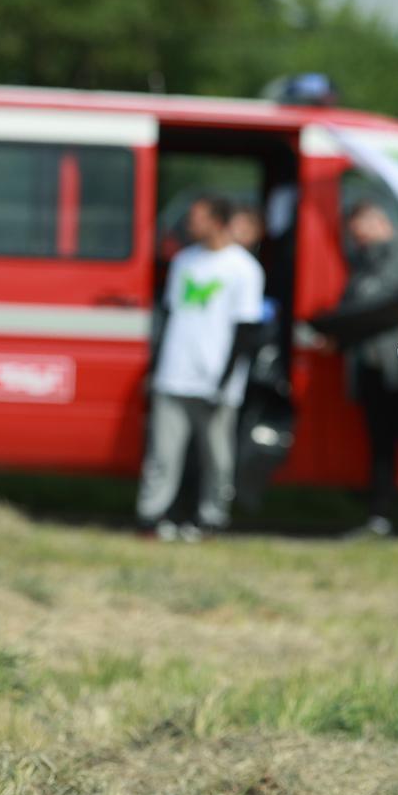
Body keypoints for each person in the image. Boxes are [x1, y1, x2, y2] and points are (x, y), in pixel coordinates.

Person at [137, 194, 266, 541]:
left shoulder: (244, 268)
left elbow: (246, 331)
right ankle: (152, 515)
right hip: (174, 373)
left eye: (197, 217)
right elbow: (169, 317)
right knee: (163, 453)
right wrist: (155, 367)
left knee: (216, 456)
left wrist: (224, 381)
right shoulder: (183, 261)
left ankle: (211, 518)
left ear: (218, 222)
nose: (188, 224)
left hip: (214, 380)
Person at [339, 200, 398, 538]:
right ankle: (379, 518)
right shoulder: (361, 264)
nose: (359, 238)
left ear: (379, 220)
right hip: (369, 367)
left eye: (361, 230)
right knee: (380, 447)